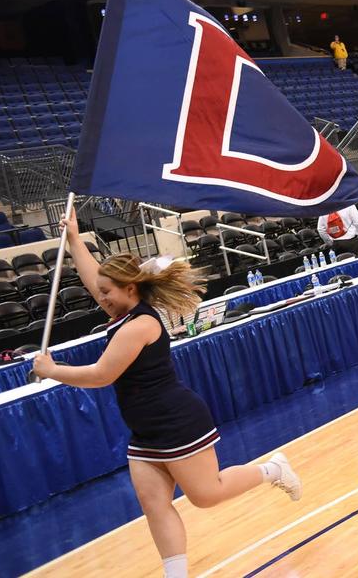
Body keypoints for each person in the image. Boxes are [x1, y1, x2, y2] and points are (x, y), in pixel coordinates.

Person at [32, 212, 300, 578]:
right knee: (154, 504)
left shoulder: (140, 324)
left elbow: (101, 375)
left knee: (206, 496)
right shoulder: (121, 311)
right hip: (146, 430)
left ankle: (273, 469)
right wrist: (76, 240)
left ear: (130, 289)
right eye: (101, 292)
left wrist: (52, 370)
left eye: (107, 293)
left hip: (177, 422)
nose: (101, 298)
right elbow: (95, 280)